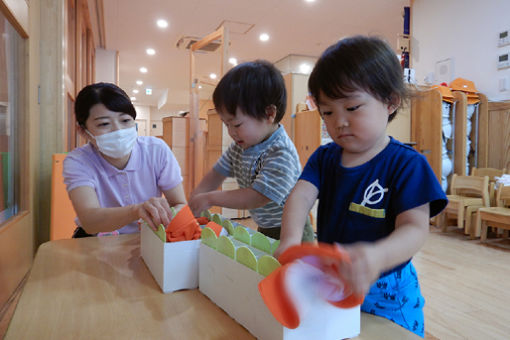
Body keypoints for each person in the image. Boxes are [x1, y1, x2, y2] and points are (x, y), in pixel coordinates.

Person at [274, 36, 447, 337]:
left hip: (387, 289)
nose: (338, 122)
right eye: (327, 112)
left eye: (352, 108)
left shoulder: (407, 164)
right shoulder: (325, 158)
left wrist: (377, 256)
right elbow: (300, 195)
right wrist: (289, 239)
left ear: (390, 101)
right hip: (332, 279)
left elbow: (415, 229)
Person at [188, 60, 314, 241]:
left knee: (289, 269)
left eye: (237, 124)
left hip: (294, 233)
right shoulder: (241, 146)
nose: (231, 132)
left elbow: (257, 197)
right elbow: (216, 173)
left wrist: (209, 198)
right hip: (266, 227)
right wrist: (197, 194)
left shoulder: (281, 152)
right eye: (226, 124)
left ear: (269, 114)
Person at [63, 82, 186, 237]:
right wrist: (137, 211)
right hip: (97, 241)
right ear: (83, 131)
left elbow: (179, 203)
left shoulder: (156, 150)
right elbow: (89, 221)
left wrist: (166, 218)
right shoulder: (78, 161)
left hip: (149, 237)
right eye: (104, 124)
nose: (118, 130)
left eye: (125, 121)